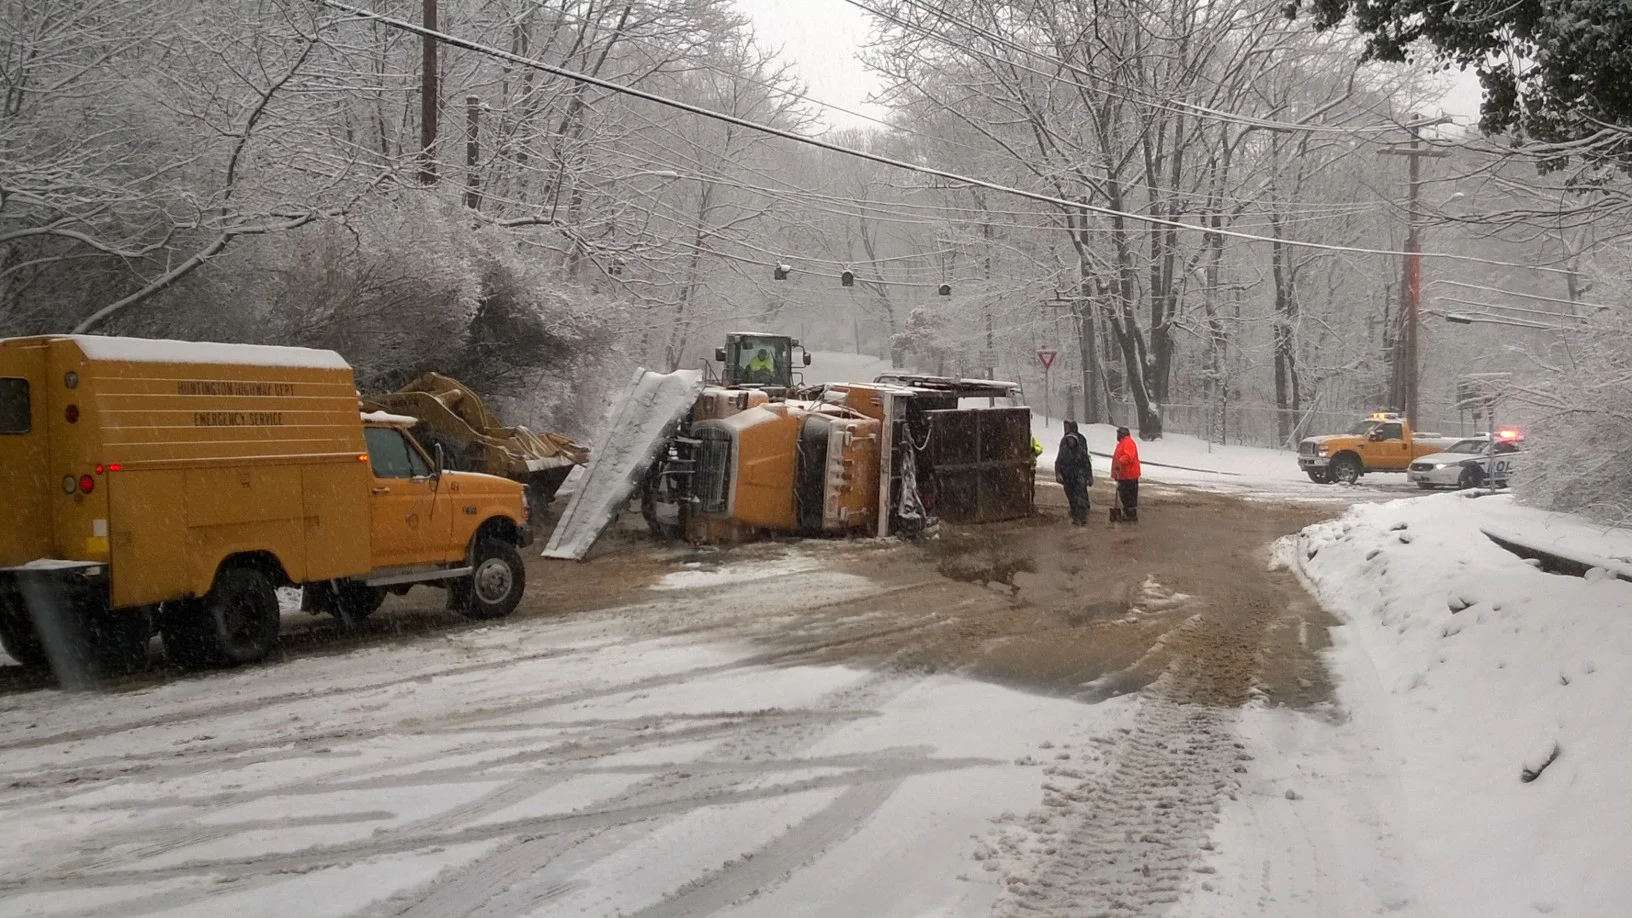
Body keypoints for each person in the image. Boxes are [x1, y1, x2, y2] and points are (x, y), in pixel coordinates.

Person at [1054, 420, 1093, 525]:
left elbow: (1087, 463)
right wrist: (1058, 474)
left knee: (1080, 495)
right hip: (1067, 476)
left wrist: (1089, 476)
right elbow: (1058, 462)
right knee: (1071, 495)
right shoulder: (1064, 449)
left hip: (1079, 475)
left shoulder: (1081, 448)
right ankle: (1075, 513)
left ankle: (1082, 515)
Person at [1111, 426, 1141, 522]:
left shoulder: (1128, 442)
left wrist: (1119, 462)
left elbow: (1128, 456)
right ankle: (1128, 513)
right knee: (1124, 495)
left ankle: (1130, 514)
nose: (1117, 435)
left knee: (1129, 496)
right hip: (1124, 475)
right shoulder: (1122, 443)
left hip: (1129, 475)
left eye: (1119, 433)